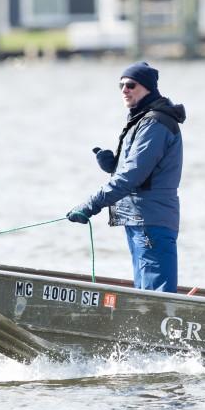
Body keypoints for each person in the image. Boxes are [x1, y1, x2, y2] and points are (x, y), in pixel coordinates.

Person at [67, 62, 186, 293]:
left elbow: (132, 176)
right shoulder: (143, 120)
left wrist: (92, 205)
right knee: (144, 292)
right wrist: (113, 165)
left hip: (150, 219)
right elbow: (138, 171)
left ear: (148, 88)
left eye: (131, 85)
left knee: (155, 294)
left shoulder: (155, 123)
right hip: (138, 219)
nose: (124, 90)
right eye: (121, 85)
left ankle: (159, 327)